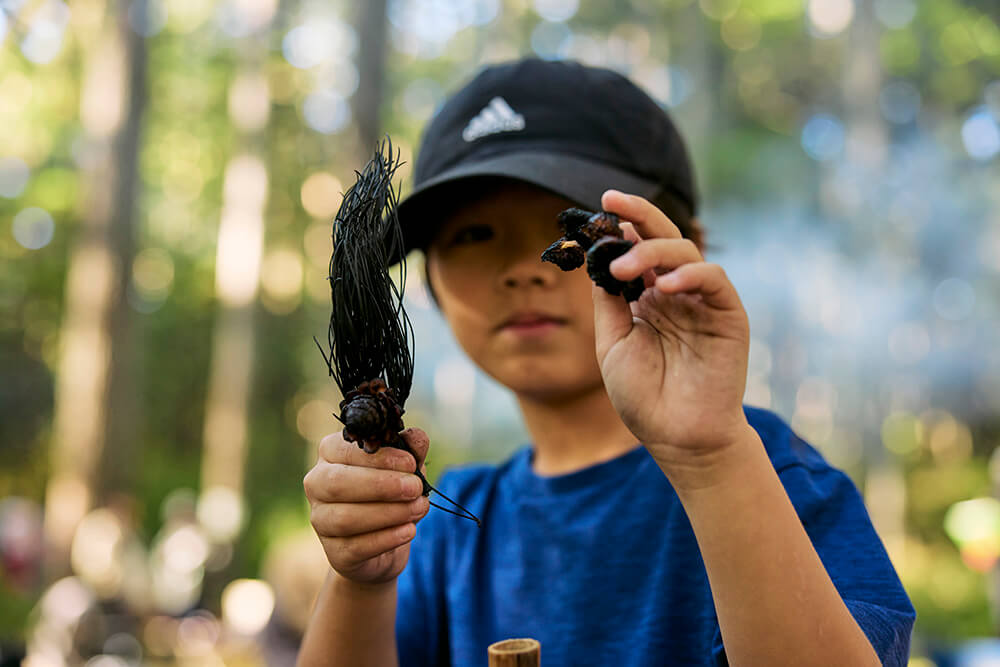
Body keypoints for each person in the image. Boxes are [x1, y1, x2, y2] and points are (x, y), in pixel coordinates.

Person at [298, 58, 915, 666]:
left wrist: (709, 459)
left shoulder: (769, 477)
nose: (520, 268)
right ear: (430, 280)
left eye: (567, 226)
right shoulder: (441, 521)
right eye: (473, 235)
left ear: (681, 247)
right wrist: (362, 579)